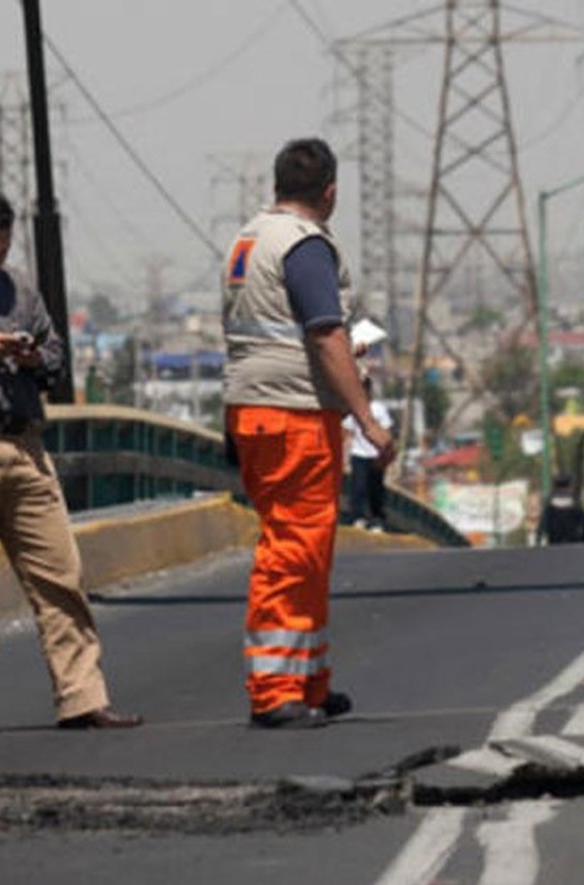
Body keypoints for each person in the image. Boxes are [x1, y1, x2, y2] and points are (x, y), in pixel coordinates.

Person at [223, 139, 396, 729]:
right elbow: (325, 336)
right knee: (292, 551)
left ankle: (310, 682)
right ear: (329, 192)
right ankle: (275, 691)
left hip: (257, 409)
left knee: (308, 550)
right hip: (292, 415)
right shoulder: (304, 247)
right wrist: (368, 421)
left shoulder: (250, 237)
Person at [0, 188, 142, 735]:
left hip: (24, 446)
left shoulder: (20, 290)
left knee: (60, 577)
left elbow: (54, 358)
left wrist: (30, 356)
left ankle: (81, 697)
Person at [342, 374, 393, 531]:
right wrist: (344, 459)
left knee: (376, 488)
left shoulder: (378, 408)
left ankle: (377, 519)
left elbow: (387, 431)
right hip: (359, 454)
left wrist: (386, 454)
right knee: (359, 488)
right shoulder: (353, 410)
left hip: (376, 455)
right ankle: (358, 517)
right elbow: (347, 435)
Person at [536, 474, 584, 545]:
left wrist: (538, 540)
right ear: (569, 486)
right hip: (573, 543)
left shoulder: (550, 505)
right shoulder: (575, 504)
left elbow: (543, 524)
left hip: (555, 543)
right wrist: (583, 539)